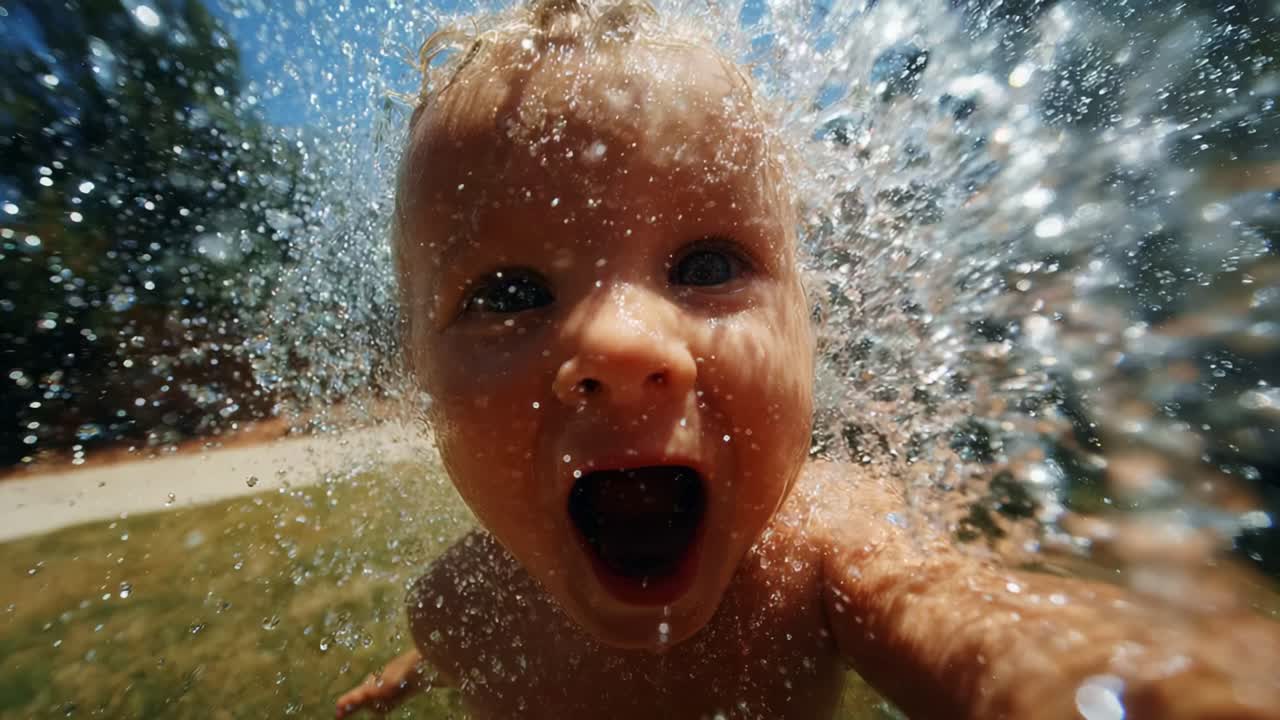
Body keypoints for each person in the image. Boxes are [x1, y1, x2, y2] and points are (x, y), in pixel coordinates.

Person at [337, 0, 1280, 717]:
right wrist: (416, 665)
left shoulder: (824, 542)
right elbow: (469, 631)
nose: (620, 343)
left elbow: (975, 624)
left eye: (706, 267)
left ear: (808, 324)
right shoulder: (454, 606)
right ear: (419, 375)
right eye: (509, 294)